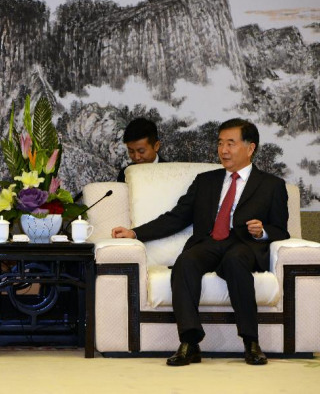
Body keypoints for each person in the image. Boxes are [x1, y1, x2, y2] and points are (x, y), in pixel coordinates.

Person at [112, 118, 290, 366]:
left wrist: (263, 232)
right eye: (220, 143)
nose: (223, 150)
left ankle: (251, 342)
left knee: (236, 261)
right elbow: (176, 217)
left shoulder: (272, 186)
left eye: (231, 143)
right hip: (208, 243)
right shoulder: (205, 181)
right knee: (185, 263)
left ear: (250, 148)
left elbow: (281, 230)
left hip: (244, 246)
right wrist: (135, 233)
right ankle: (190, 342)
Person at [117, 117, 166, 183]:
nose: (137, 157)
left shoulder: (174, 172)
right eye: (131, 151)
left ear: (156, 146)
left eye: (141, 151)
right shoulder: (125, 174)